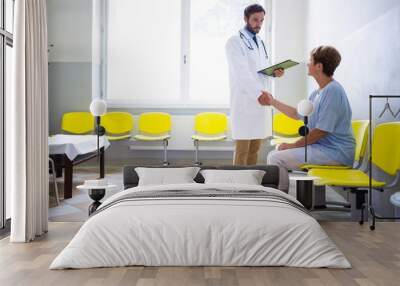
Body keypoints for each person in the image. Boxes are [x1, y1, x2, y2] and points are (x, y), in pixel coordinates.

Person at [260, 45, 355, 192]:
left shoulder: (333, 91)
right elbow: (297, 114)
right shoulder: (318, 92)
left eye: (310, 61)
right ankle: (282, 194)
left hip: (336, 152)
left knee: (276, 158)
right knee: (274, 153)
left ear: (319, 66)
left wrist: (291, 145)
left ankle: (282, 198)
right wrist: (272, 101)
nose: (307, 64)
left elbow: (320, 132)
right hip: (323, 148)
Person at [226, 4, 284, 166]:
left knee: (255, 149)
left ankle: (251, 184)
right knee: (242, 150)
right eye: (255, 20)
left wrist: (273, 73)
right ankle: (237, 186)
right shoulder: (235, 42)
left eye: (261, 20)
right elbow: (242, 73)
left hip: (261, 101)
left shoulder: (261, 42)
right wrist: (258, 94)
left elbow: (260, 71)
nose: (258, 23)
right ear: (246, 19)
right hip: (246, 101)